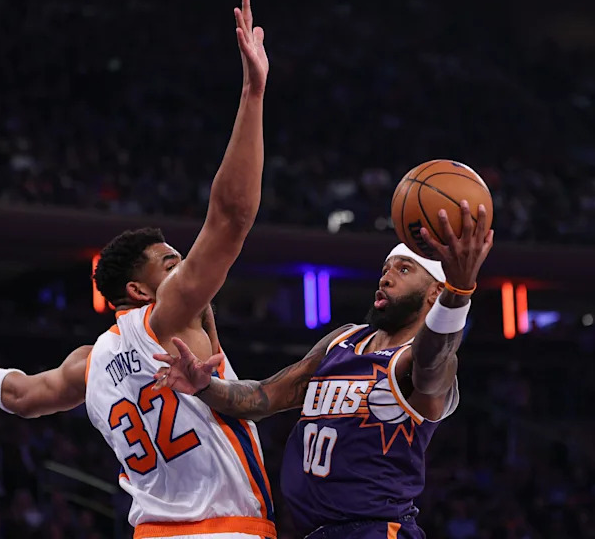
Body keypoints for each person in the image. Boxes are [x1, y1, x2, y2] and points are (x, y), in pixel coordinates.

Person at [0, 0, 275, 539]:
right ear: (138, 288)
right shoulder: (170, 314)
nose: (182, 269)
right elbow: (230, 217)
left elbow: (23, 396)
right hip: (226, 529)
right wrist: (253, 93)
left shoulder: (91, 362)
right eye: (169, 262)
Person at [153, 203, 494, 538]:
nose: (387, 277)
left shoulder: (419, 363)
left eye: (404, 269)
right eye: (386, 268)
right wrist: (205, 385)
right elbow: (261, 398)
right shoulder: (342, 340)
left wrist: (459, 292)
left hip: (378, 530)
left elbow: (434, 356)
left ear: (436, 292)